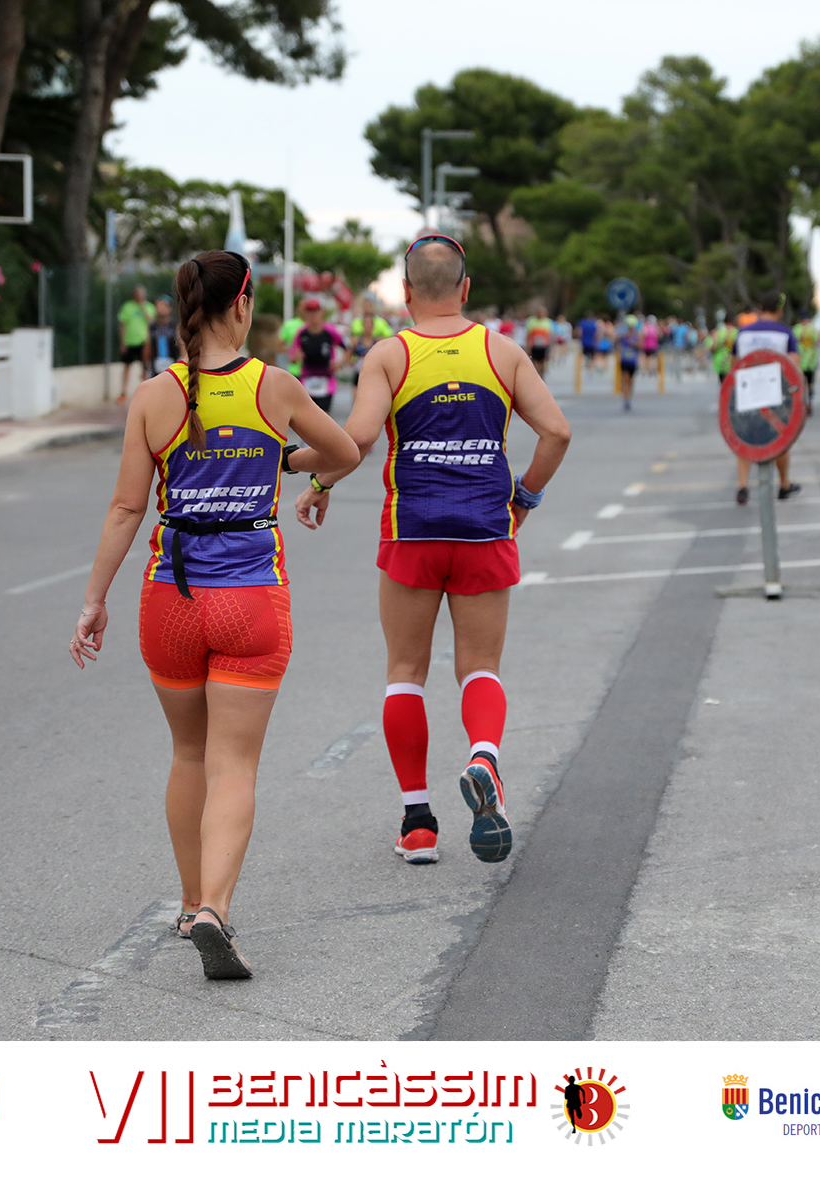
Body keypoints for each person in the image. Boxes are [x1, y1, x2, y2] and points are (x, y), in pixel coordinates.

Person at [70, 251, 360, 980]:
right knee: (234, 765)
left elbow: (127, 507)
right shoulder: (275, 386)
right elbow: (345, 451)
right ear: (243, 304)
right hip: (251, 599)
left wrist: (94, 600)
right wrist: (290, 464)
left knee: (189, 755)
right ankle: (216, 912)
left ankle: (189, 900)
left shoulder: (152, 396)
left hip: (170, 599)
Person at [294, 233, 571, 866]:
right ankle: (484, 758)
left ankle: (417, 825)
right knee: (480, 667)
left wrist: (316, 480)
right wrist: (524, 499)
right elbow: (556, 432)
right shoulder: (502, 351)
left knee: (404, 672)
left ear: (405, 291)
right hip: (485, 528)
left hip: (412, 530)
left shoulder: (389, 355)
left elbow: (358, 439)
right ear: (466, 289)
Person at [733, 292, 801, 505]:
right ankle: (784, 485)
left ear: (760, 308)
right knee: (780, 441)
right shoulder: (785, 333)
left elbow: (735, 365)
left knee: (745, 438)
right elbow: (794, 367)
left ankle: (743, 485)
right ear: (779, 310)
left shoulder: (743, 333)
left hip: (746, 394)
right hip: (775, 396)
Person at [289, 297, 347, 415]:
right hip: (307, 380)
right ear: (305, 314)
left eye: (315, 311)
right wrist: (296, 357)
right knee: (307, 417)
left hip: (326, 380)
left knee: (323, 416)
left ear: (321, 313)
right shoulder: (301, 333)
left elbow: (347, 348)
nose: (313, 315)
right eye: (310, 312)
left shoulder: (330, 331)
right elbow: (292, 357)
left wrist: (340, 363)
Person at [117, 284, 156, 400]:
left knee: (144, 367)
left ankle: (146, 392)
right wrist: (122, 342)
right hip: (129, 341)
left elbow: (152, 322)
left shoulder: (149, 307)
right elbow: (122, 325)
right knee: (126, 366)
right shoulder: (127, 307)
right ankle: (123, 392)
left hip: (144, 342)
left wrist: (142, 307)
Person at [351, 297, 393, 378]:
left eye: (369, 306)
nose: (367, 308)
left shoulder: (381, 322)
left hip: (375, 359)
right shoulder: (356, 322)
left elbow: (389, 337)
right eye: (365, 306)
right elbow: (353, 340)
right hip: (359, 361)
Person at [144, 296, 179, 377]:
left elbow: (182, 345)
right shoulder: (152, 327)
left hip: (173, 364)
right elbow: (147, 346)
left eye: (164, 306)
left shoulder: (175, 326)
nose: (161, 308)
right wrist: (145, 367)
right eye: (158, 306)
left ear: (169, 308)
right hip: (156, 366)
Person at [793, 309, 820, 414]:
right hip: (811, 362)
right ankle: (810, 403)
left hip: (799, 362)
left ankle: (801, 404)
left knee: (800, 383)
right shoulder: (813, 329)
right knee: (810, 384)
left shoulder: (796, 329)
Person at [525, 305, 555, 377]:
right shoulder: (531, 321)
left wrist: (551, 349)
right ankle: (536, 376)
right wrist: (528, 347)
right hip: (534, 346)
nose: (541, 314)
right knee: (534, 363)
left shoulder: (548, 322)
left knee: (543, 363)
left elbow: (550, 336)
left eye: (542, 312)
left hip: (544, 346)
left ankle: (541, 376)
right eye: (539, 312)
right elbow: (528, 335)